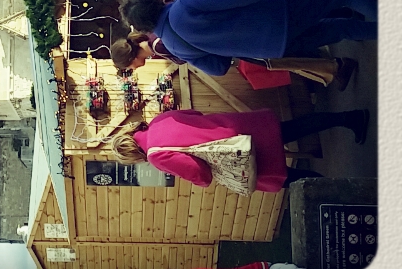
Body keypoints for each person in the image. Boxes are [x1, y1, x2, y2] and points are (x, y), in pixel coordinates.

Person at [117, 0, 376, 77]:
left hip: (273, 48)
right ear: (153, 0)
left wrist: (224, 43)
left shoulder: (175, 48)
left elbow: (218, 68)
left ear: (145, 27)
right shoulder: (182, 8)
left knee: (339, 29)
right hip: (277, 15)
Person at [110, 107, 370, 191]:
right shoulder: (159, 120)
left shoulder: (156, 155)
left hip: (236, 152)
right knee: (296, 128)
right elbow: (194, 113)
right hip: (236, 127)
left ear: (133, 156)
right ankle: (349, 117)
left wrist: (202, 181)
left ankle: (344, 191)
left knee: (293, 180)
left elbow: (199, 173)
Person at [110, 31, 358, 91]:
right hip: (224, 45)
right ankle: (331, 62)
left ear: (131, 58)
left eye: (129, 67)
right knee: (282, 51)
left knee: (281, 58)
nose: (133, 69)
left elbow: (193, 52)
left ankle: (336, 66)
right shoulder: (154, 39)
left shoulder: (159, 46)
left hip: (224, 48)